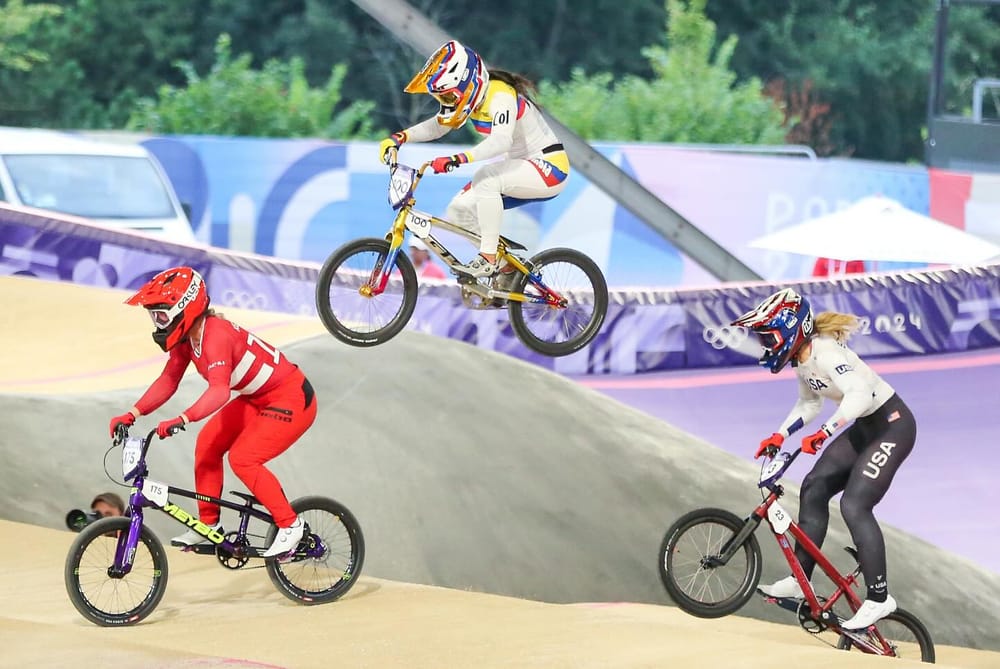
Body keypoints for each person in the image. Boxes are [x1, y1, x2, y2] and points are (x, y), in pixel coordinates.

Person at [731, 287, 916, 630]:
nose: (764, 345)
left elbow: (859, 394)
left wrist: (827, 431)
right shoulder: (803, 360)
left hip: (892, 426)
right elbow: (809, 404)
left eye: (767, 337)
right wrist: (780, 434)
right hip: (864, 426)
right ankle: (801, 580)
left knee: (855, 505)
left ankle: (879, 598)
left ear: (789, 331)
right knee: (814, 487)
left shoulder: (827, 353)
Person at [108, 267, 317, 558]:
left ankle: (291, 525)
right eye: (154, 316)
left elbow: (219, 391)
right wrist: (131, 413)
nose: (157, 323)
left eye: (161, 315)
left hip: (291, 399)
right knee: (207, 445)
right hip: (258, 397)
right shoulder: (187, 338)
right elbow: (169, 380)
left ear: (185, 309)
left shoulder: (216, 335)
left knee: (243, 459)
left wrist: (182, 418)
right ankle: (208, 525)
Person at [378, 40, 569, 279]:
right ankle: (505, 269)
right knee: (458, 210)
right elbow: (439, 126)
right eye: (443, 98)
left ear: (469, 84)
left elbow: (501, 142)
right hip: (520, 168)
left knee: (486, 177)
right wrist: (399, 137)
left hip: (549, 168)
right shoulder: (472, 100)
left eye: (448, 96)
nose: (447, 103)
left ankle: (488, 259)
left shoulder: (500, 96)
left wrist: (458, 158)